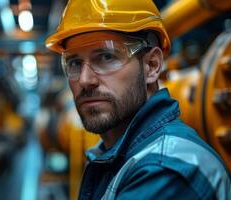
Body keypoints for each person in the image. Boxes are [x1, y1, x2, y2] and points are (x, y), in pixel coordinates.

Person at [45, 0, 231, 199]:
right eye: (74, 62)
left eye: (106, 57)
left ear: (151, 66)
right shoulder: (114, 157)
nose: (85, 80)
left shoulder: (166, 171)